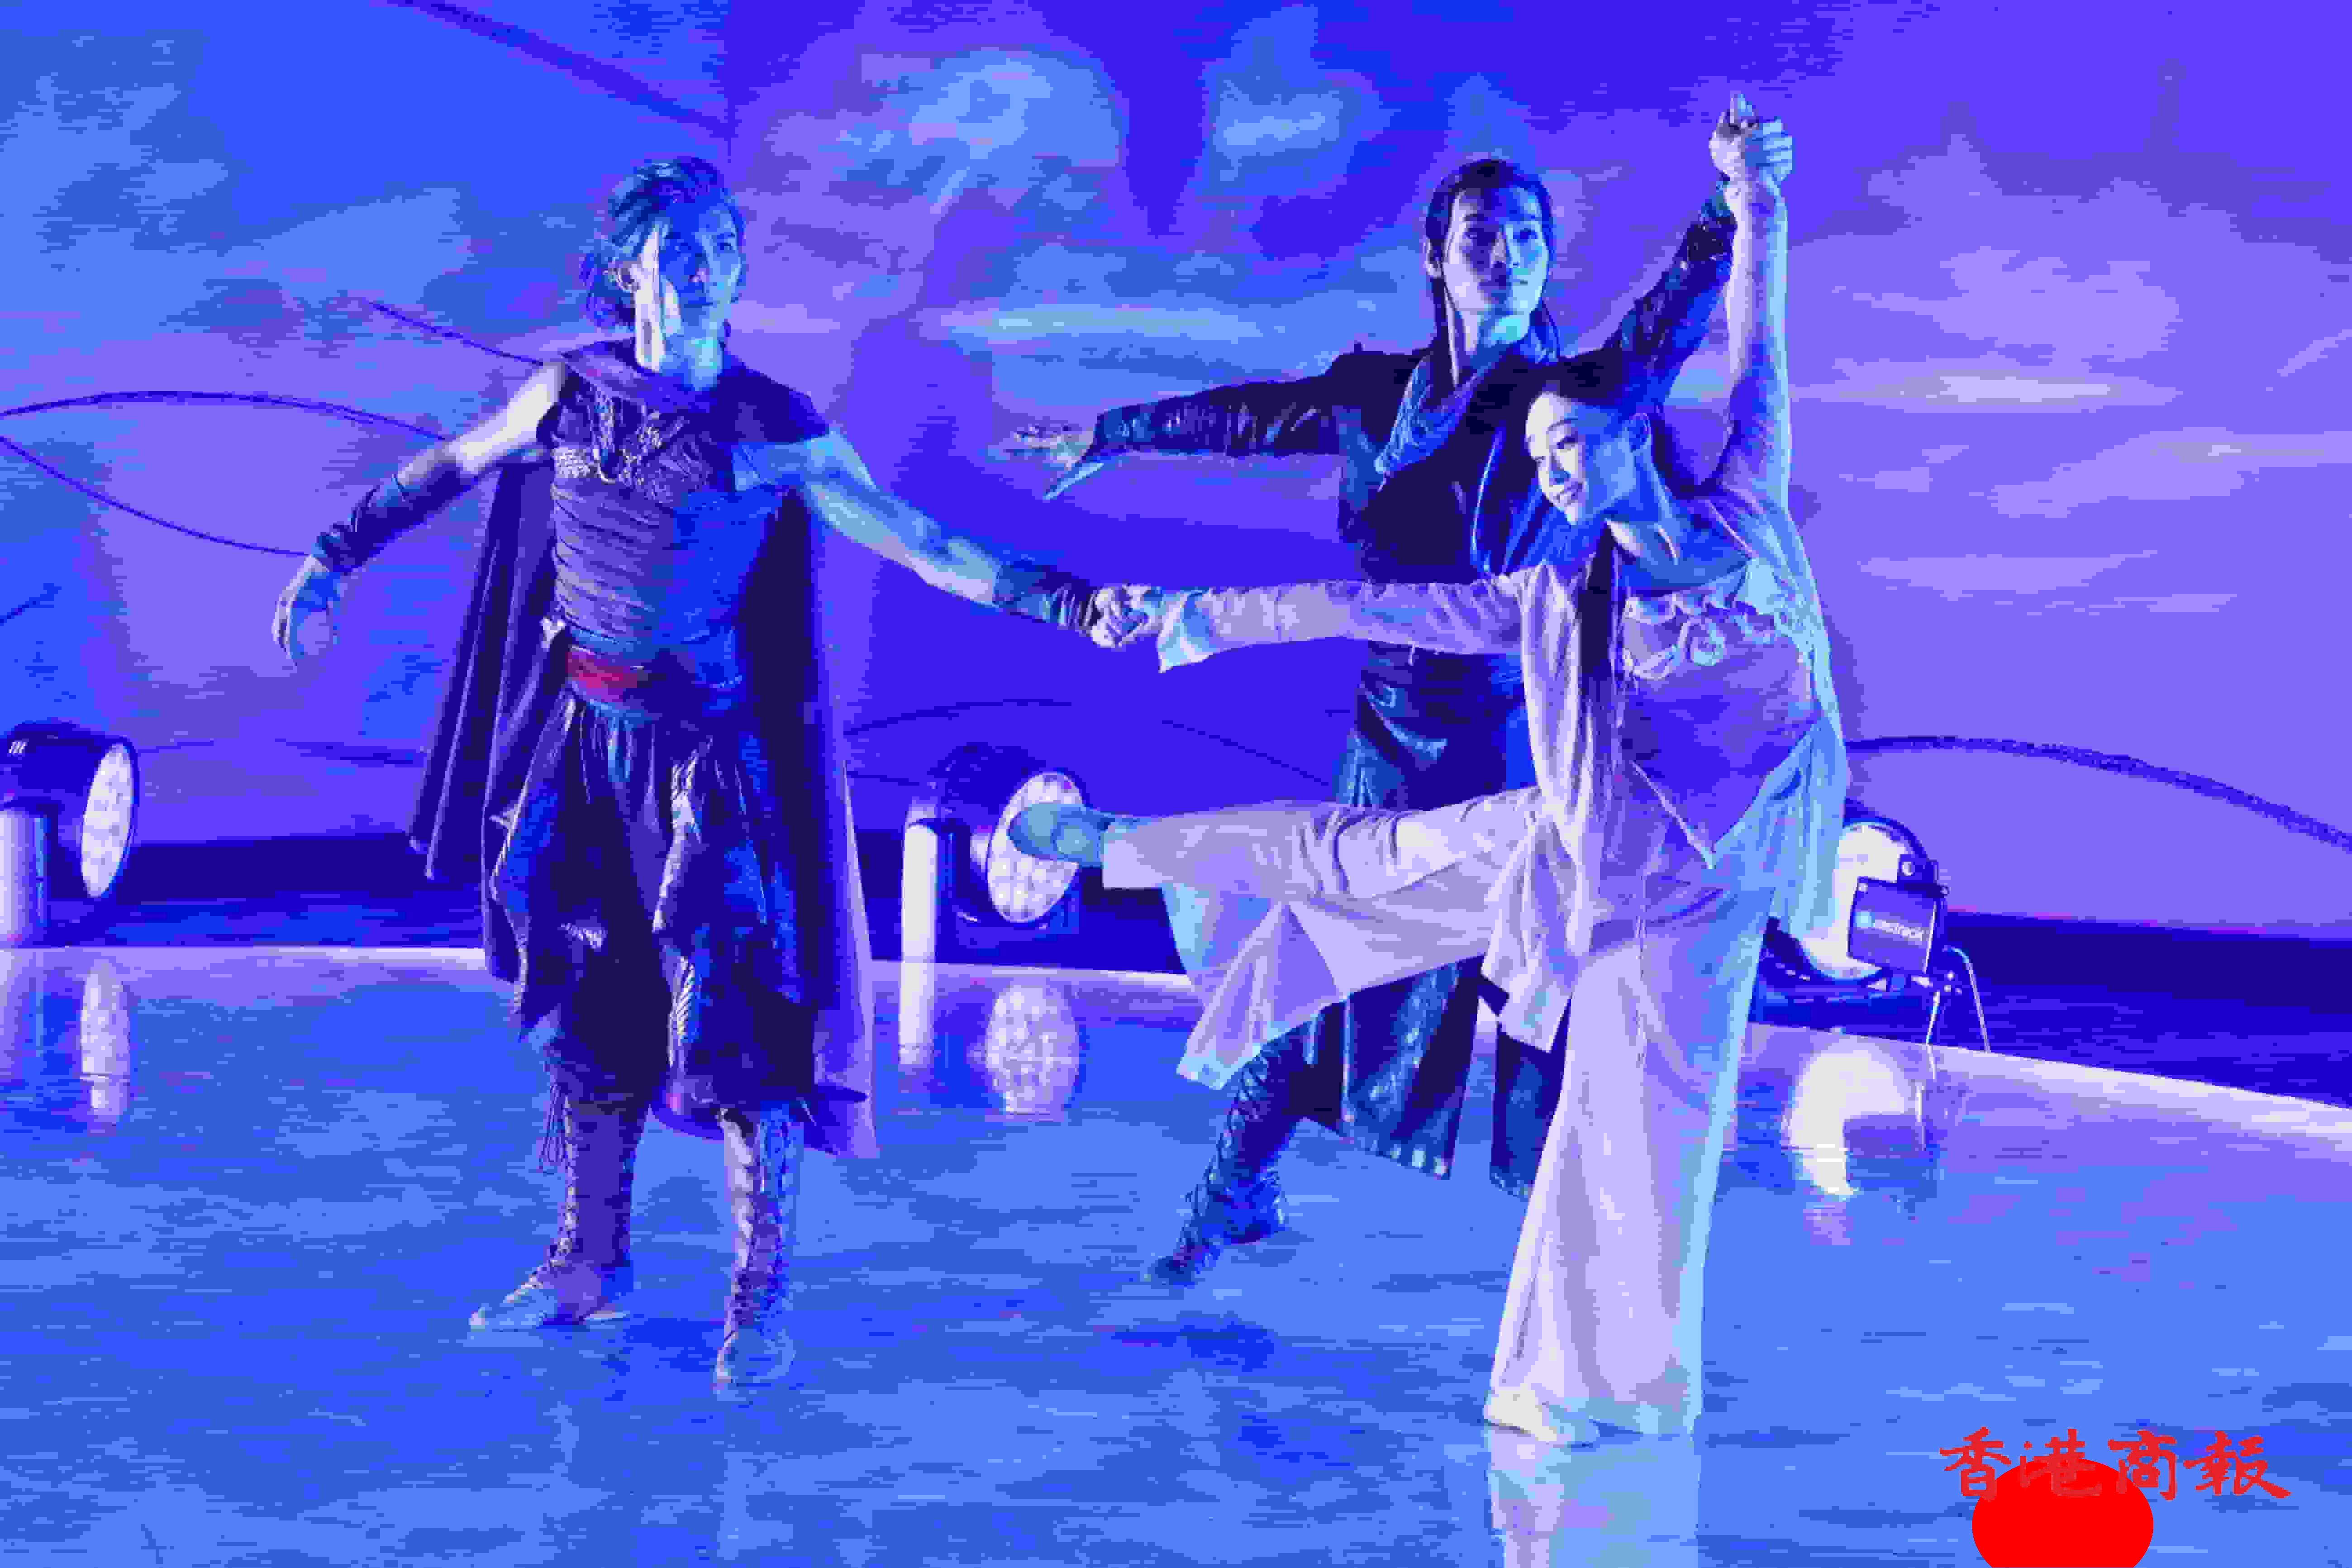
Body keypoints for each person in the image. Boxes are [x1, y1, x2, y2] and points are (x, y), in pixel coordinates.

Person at [1024, 95, 1840, 1443]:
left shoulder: (1693, 475)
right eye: (1480, 237)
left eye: (1527, 237)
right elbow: (1318, 516)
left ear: (1627, 426)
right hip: (1488, 775)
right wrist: (1169, 556)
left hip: (1618, 830)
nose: (1556, 474)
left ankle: (1602, 1366)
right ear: (1435, 257)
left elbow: (1737, 348)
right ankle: (1129, 891)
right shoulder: (1485, 513)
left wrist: (1743, 204)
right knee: (1330, 894)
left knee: (1602, 1096)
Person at [269, 156, 1115, 1395]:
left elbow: (920, 541)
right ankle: (585, 1265)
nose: (711, 266)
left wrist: (1063, 598)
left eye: (726, 244)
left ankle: (758, 1300)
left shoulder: (771, 427)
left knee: (740, 1028)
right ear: (631, 270)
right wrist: (333, 555)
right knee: (587, 1007)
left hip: (707, 770)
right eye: (684, 246)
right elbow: (449, 467)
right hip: (581, 751)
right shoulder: (570, 392)